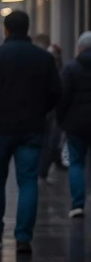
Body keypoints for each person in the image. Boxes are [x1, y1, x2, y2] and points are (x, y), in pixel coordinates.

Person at [0, 10, 60, 254]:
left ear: (6, 30)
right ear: (28, 29)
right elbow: (56, 92)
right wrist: (41, 112)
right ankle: (23, 237)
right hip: (31, 128)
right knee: (28, 182)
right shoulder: (43, 58)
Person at [57, 32, 91, 218]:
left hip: (76, 124)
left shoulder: (71, 68)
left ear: (80, 48)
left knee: (76, 163)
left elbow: (63, 97)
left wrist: (62, 121)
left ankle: (78, 204)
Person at [39, 42, 66, 181]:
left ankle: (45, 168)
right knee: (50, 141)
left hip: (50, 111)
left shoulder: (47, 68)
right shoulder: (58, 69)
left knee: (50, 142)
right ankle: (45, 169)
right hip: (52, 111)